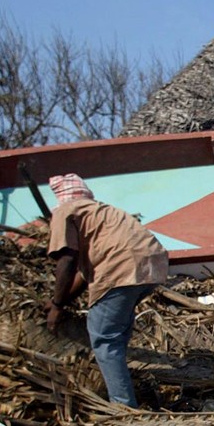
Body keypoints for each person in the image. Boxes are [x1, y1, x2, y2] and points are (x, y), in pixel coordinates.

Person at [45, 173, 168, 407]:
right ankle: (126, 389)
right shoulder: (102, 212)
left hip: (119, 267)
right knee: (116, 335)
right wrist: (61, 300)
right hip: (152, 265)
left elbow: (67, 261)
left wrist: (57, 306)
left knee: (104, 339)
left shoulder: (66, 211)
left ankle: (122, 407)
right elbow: (83, 274)